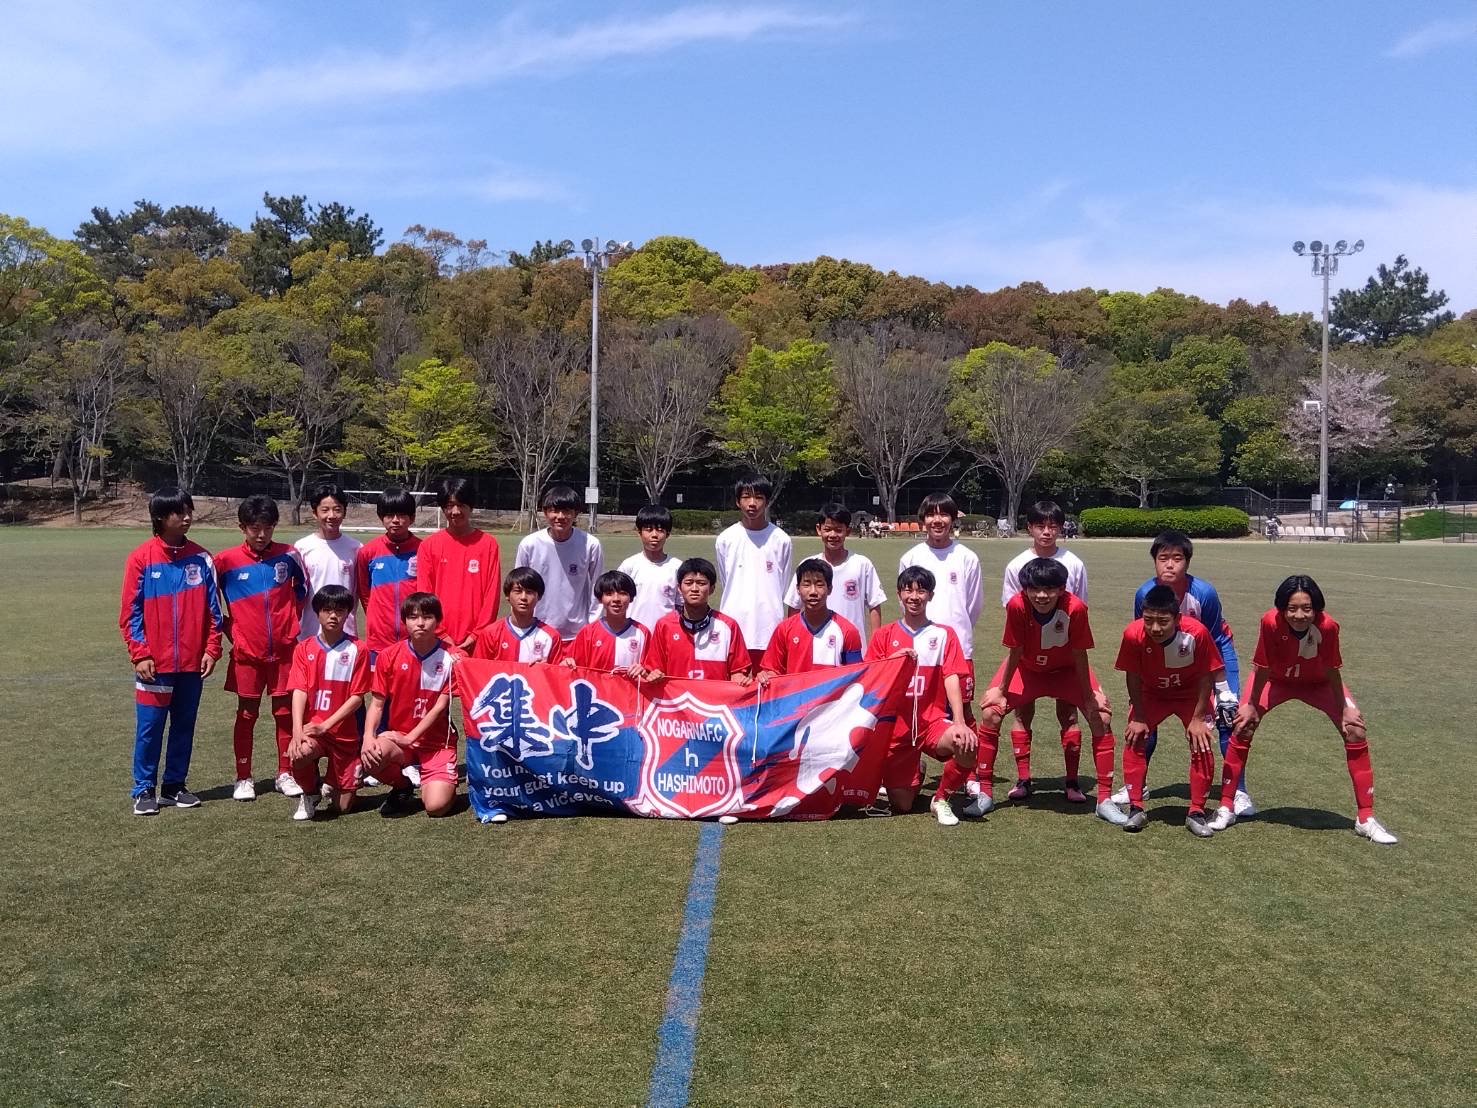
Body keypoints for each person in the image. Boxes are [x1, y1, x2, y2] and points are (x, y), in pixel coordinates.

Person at [1207, 576, 1396, 844]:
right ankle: (1226, 806)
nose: (1299, 615)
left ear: (1316, 607)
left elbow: (1332, 669)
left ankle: (1365, 819)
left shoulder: (1328, 626)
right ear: (1282, 608)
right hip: (1276, 681)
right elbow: (1262, 666)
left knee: (1355, 730)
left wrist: (1344, 708)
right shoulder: (1270, 622)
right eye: (1292, 608)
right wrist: (1251, 705)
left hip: (1318, 683)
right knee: (1243, 725)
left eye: (1307, 608)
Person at [1111, 531, 1254, 817]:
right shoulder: (1144, 594)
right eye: (1163, 558)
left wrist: (1223, 688)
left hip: (1212, 651)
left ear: (1187, 562)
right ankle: (1137, 786)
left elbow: (1213, 641)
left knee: (1228, 717)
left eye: (1177, 558)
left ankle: (1238, 790)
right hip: (1170, 654)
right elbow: (1146, 636)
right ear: (1154, 561)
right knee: (1142, 718)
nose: (1170, 565)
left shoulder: (1204, 593)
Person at [977, 558, 1124, 825]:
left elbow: (1079, 653)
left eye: (1049, 589)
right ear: (1024, 589)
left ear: (1061, 589)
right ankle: (985, 793)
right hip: (1028, 669)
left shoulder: (1075, 608)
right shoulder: (1016, 605)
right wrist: (1001, 690)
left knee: (1100, 717)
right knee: (991, 713)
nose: (1042, 596)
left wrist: (1089, 697)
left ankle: (1103, 799)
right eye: (1034, 589)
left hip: (1066, 670)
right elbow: (1015, 650)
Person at [119, 487, 223, 815]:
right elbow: (130, 613)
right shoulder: (141, 558)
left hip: (192, 664)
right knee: (149, 729)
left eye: (189, 510)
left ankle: (174, 786)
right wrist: (140, 654)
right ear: (161, 517)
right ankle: (143, 789)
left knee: (183, 726)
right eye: (180, 512)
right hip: (155, 665)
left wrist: (211, 649)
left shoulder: (202, 559)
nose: (187, 517)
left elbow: (214, 612)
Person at [864, 566, 978, 826]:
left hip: (931, 723)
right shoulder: (883, 635)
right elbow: (870, 679)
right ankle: (915, 770)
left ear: (931, 595)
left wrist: (959, 722)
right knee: (902, 805)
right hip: (897, 730)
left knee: (967, 742)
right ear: (899, 594)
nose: (914, 597)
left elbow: (951, 677)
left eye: (921, 591)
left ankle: (941, 799)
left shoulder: (944, 634)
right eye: (908, 590)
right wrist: (892, 662)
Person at [216, 494, 308, 801]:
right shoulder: (225, 561)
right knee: (246, 714)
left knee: (285, 712)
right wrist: (232, 629)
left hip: (284, 652)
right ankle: (243, 777)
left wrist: (289, 623)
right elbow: (208, 602)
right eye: (254, 528)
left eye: (267, 527)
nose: (261, 534)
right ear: (242, 527)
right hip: (247, 654)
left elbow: (303, 589)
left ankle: (285, 773)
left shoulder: (289, 555)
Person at [1114, 585, 1223, 837]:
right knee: (1135, 738)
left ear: (1177, 618)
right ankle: (1136, 808)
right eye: (1148, 620)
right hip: (1152, 694)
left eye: (1163, 621)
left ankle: (1196, 812)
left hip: (1190, 694)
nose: (1155, 628)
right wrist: (1138, 715)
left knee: (1201, 742)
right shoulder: (1132, 634)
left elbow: (1207, 674)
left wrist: (1198, 718)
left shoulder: (1197, 633)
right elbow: (1132, 675)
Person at [996, 499, 1090, 790]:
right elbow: (1012, 608)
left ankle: (1072, 782)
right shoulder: (1016, 565)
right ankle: (1024, 780)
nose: (1047, 532)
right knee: (1022, 712)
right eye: (1040, 526)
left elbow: (1079, 605)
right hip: (1028, 651)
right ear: (1030, 528)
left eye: (1053, 526)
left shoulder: (1074, 563)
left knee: (1069, 712)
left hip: (1064, 652)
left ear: (1061, 528)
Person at [359, 592, 458, 818]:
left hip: (437, 743)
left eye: (427, 617)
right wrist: (367, 737)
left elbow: (440, 708)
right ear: (404, 621)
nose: (420, 623)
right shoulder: (388, 656)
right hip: (399, 739)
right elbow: (377, 704)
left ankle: (437, 782)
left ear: (438, 620)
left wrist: (410, 737)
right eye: (413, 617)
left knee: (436, 807)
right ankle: (402, 786)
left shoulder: (453, 657)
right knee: (371, 756)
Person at [285, 585, 370, 821]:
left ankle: (336, 782)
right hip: (313, 730)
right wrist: (297, 731)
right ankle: (310, 792)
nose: (333, 616)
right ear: (317, 613)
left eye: (339, 611)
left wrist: (326, 725)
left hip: (344, 735)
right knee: (300, 752)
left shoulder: (359, 649)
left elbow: (357, 697)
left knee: (342, 808)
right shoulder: (304, 649)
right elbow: (299, 690)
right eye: (327, 610)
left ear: (348, 613)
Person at [898, 493, 983, 718]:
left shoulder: (967, 558)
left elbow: (973, 606)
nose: (937, 520)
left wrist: (957, 631)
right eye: (931, 515)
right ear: (923, 520)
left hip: (959, 648)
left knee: (962, 710)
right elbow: (905, 602)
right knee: (918, 709)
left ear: (953, 519)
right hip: (920, 649)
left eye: (944, 514)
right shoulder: (911, 557)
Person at [715, 474, 792, 671]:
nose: (752, 503)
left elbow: (782, 585)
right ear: (737, 501)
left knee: (768, 684)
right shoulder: (726, 539)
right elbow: (726, 581)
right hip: (733, 626)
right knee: (736, 683)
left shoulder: (781, 539)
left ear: (767, 501)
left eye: (758, 497)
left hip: (770, 627)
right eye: (746, 497)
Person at [782, 502, 885, 646]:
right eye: (828, 529)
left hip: (853, 647)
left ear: (848, 531)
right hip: (816, 647)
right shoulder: (808, 566)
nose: (832, 535)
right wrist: (792, 642)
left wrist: (875, 645)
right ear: (819, 529)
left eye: (838, 530)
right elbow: (794, 606)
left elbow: (874, 605)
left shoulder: (862, 564)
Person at [417, 476, 501, 650]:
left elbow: (492, 595)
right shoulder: (429, 545)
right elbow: (424, 593)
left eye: (461, 505)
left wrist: (478, 634)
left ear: (471, 506)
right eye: (449, 505)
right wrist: (440, 633)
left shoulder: (488, 544)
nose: (455, 511)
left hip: (477, 640)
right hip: (437, 639)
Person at [513, 484, 603, 641]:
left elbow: (598, 587)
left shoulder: (590, 544)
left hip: (577, 634)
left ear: (575, 513)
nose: (560, 516)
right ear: (545, 512)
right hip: (537, 631)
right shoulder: (529, 544)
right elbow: (518, 587)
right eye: (554, 510)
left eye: (567, 511)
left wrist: (592, 625)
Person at [643, 557, 752, 684]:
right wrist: (654, 675)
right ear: (679, 588)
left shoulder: (728, 626)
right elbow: (654, 669)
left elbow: (737, 672)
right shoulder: (664, 625)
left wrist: (741, 680)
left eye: (701, 583)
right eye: (688, 583)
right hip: (677, 697)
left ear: (712, 588)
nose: (694, 589)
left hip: (714, 697)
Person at [757, 558, 863, 681]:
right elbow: (772, 671)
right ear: (798, 589)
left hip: (832, 694)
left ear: (830, 589)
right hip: (796, 694)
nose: (813, 592)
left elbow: (856, 676)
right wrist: (766, 676)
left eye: (819, 585)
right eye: (806, 585)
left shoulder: (848, 631)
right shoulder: (784, 630)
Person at [353, 487, 421, 665]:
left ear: (412, 518)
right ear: (381, 517)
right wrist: (377, 619)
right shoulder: (368, 552)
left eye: (402, 515)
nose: (396, 520)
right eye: (390, 515)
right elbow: (365, 593)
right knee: (378, 683)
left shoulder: (423, 550)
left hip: (415, 639)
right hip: (379, 640)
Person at [294, 484, 361, 642]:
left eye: (337, 510)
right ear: (314, 513)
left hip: (346, 633)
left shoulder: (356, 548)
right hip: (310, 633)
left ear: (344, 512)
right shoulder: (301, 548)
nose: (331, 515)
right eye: (325, 510)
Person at [470, 567, 566, 664]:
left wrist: (548, 668)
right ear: (507, 595)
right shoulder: (490, 634)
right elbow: (477, 669)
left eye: (529, 592)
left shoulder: (551, 637)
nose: (523, 597)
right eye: (518, 591)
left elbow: (557, 672)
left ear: (539, 596)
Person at [567, 570, 649, 676]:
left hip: (630, 687)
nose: (616, 599)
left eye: (622, 593)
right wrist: (567, 663)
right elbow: (576, 671)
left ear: (631, 598)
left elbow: (650, 671)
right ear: (600, 599)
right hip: (596, 687)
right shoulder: (588, 633)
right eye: (609, 594)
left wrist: (644, 671)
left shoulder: (642, 632)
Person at [618, 504, 681, 635]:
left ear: (668, 534)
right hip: (633, 635)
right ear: (639, 533)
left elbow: (681, 606)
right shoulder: (629, 565)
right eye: (649, 529)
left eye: (660, 530)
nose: (654, 535)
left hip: (666, 635)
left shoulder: (677, 567)